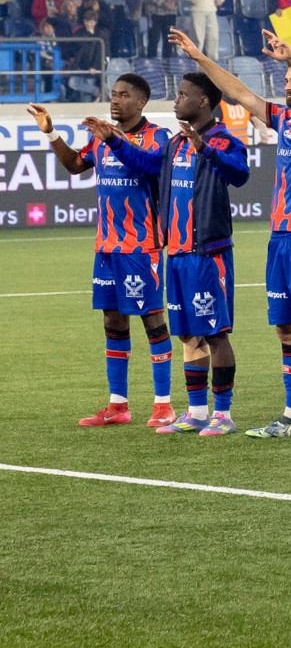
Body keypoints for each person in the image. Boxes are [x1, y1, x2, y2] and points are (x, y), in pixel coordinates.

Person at [171, 29, 291, 446]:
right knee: (287, 329)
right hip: (280, 238)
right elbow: (239, 93)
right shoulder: (284, 120)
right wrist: (199, 56)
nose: (287, 86)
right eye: (286, 81)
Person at [85, 70, 249, 435]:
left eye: (183, 94)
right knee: (188, 334)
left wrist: (205, 149)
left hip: (208, 252)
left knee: (217, 333)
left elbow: (240, 173)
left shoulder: (222, 138)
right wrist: (113, 141)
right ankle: (196, 412)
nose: (176, 100)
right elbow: (145, 165)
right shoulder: (174, 144)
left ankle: (223, 414)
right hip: (175, 251)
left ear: (203, 100)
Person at [31, 83, 177, 428]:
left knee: (152, 321)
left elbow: (149, 165)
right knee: (113, 322)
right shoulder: (100, 135)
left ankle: (163, 405)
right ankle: (118, 405)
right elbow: (75, 165)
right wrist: (51, 133)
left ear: (141, 102)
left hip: (141, 247)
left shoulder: (159, 137)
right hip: (107, 248)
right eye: (113, 93)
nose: (115, 99)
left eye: (124, 94)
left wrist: (112, 138)